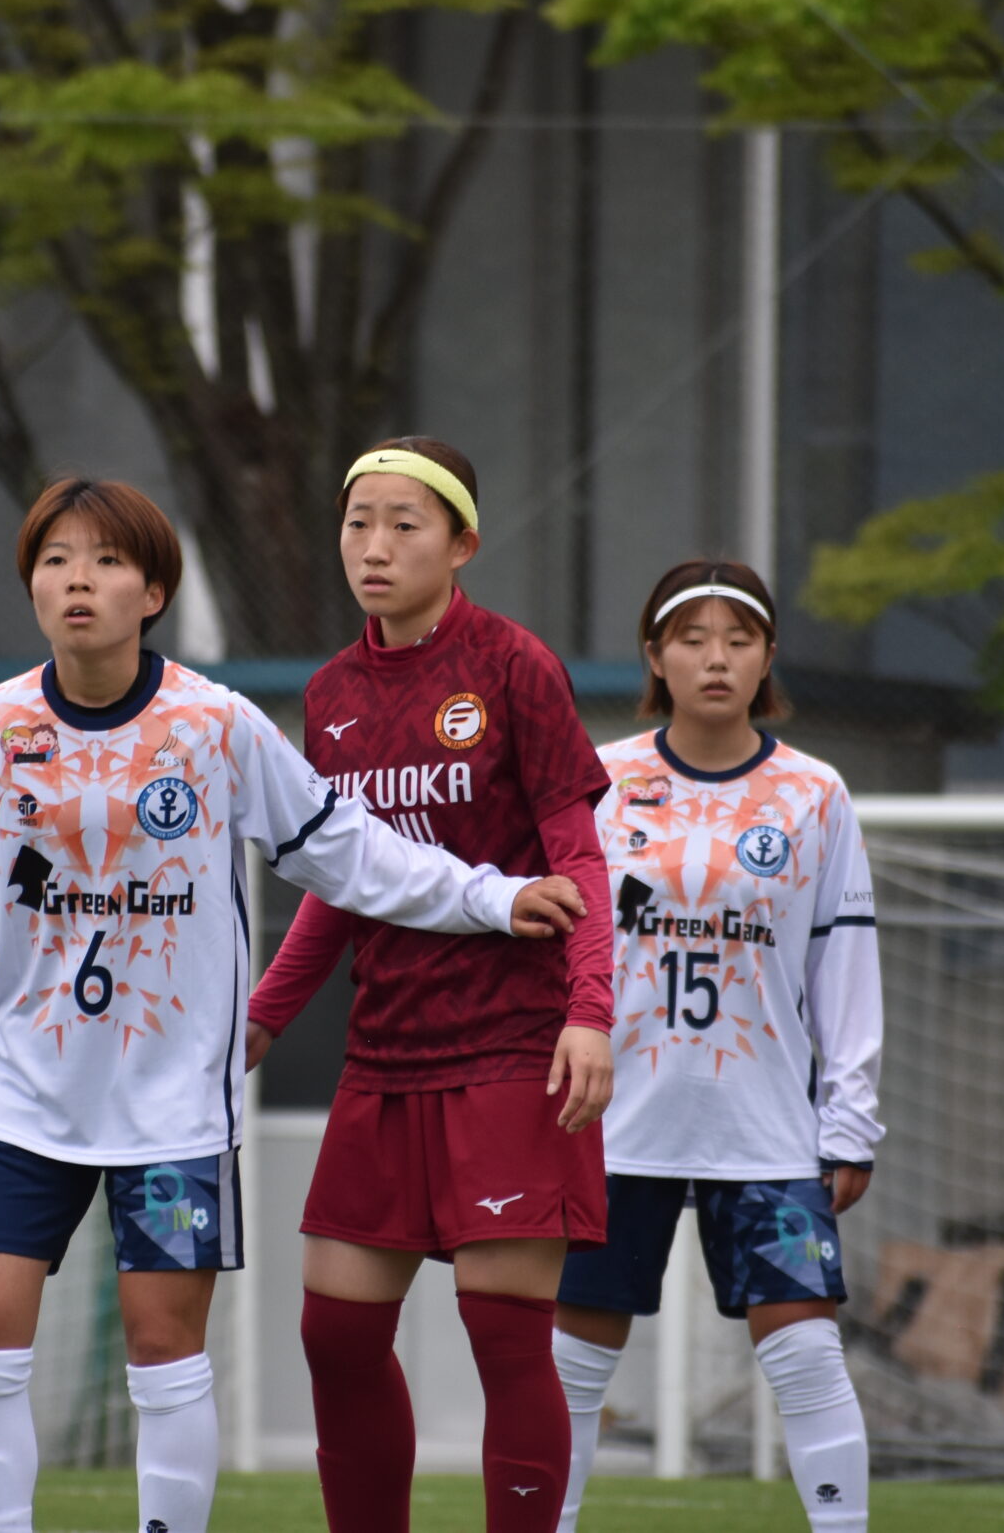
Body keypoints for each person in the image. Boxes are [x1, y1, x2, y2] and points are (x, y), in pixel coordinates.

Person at [0, 476, 590, 1533]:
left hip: (173, 1112)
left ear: (153, 590)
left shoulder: (216, 725)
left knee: (164, 1348)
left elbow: (350, 854)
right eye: (56, 560)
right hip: (22, 1098)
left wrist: (491, 895)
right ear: (31, 586)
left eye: (107, 561)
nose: (78, 580)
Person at [242, 437, 619, 1533]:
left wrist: (590, 1013)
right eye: (358, 521)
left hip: (511, 1048)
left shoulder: (513, 665)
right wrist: (262, 1018)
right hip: (384, 1055)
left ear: (462, 545)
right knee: (335, 1334)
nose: (375, 545)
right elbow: (343, 881)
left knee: (505, 1336)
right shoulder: (330, 693)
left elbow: (578, 860)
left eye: (404, 524)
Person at [551, 559, 883, 1533]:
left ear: (766, 657)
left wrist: (850, 1118)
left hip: (765, 1128)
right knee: (572, 1362)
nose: (715, 660)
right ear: (654, 656)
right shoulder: (598, 780)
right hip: (612, 1125)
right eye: (691, 640)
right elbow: (553, 941)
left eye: (738, 641)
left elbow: (845, 964)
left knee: (807, 1352)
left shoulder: (814, 793)